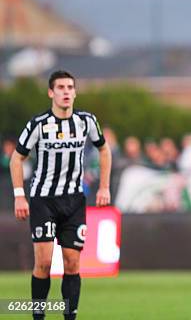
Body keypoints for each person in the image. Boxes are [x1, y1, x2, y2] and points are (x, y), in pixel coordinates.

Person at [9, 70, 111, 320]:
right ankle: (39, 316)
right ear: (51, 93)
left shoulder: (86, 121)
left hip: (74, 201)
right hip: (44, 200)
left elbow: (104, 150)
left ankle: (69, 316)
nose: (66, 92)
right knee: (43, 263)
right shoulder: (39, 124)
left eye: (69, 87)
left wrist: (104, 186)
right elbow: (16, 158)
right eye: (60, 87)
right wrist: (19, 195)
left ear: (75, 92)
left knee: (72, 263)